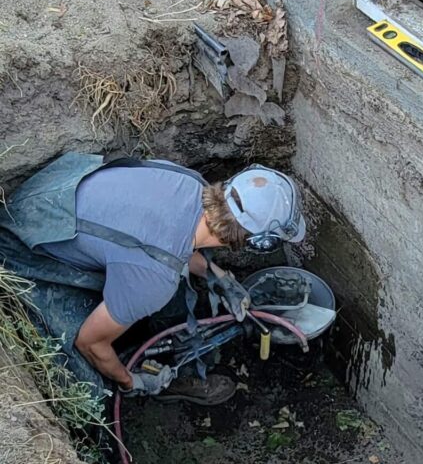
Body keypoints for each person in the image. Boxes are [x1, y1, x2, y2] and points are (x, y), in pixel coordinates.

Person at [0, 153, 306, 404]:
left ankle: (164, 348)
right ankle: (154, 381)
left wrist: (219, 277)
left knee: (166, 282)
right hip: (21, 244)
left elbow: (166, 239)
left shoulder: (188, 182)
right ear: (257, 242)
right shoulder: (154, 278)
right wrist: (132, 381)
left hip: (56, 190)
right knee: (85, 387)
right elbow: (90, 342)